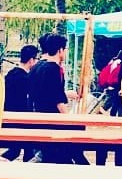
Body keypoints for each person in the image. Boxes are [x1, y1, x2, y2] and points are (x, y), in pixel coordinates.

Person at [28, 33, 88, 164]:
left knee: (62, 157)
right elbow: (58, 101)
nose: (65, 52)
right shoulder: (53, 69)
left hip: (39, 117)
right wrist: (69, 120)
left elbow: (45, 93)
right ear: (60, 50)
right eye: (65, 49)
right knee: (71, 151)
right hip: (52, 121)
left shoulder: (37, 67)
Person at [0, 44, 38, 161]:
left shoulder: (11, 74)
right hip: (21, 120)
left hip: (10, 117)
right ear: (31, 60)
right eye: (36, 59)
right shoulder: (25, 78)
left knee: (19, 150)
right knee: (22, 151)